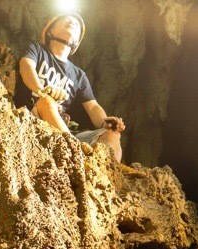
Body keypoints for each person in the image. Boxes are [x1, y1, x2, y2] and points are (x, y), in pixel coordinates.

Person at [14, 13, 125, 162]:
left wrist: (106, 123)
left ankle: (108, 169)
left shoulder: (78, 75)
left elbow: (93, 107)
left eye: (77, 24)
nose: (72, 22)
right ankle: (74, 156)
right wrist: (41, 91)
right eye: (66, 20)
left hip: (63, 130)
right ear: (50, 31)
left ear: (77, 41)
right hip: (32, 118)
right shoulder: (36, 49)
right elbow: (26, 67)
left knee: (112, 134)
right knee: (47, 101)